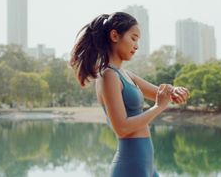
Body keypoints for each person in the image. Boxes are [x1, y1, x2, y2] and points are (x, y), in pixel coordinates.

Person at [70, 12, 189, 177]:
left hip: (146, 165)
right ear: (114, 35)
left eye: (138, 40)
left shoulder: (126, 75)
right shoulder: (108, 76)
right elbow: (122, 128)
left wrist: (175, 90)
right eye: (133, 38)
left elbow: (161, 93)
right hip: (131, 166)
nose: (137, 45)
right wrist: (158, 107)